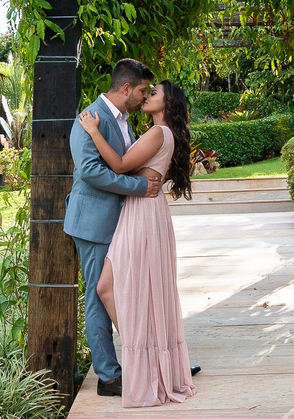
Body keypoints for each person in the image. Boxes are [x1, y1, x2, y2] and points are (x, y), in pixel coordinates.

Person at [77, 78, 197, 408]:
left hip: (142, 212)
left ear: (167, 103)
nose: (147, 96)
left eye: (153, 93)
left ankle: (148, 361)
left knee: (115, 288)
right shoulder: (158, 133)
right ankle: (149, 358)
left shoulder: (159, 133)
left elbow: (117, 165)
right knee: (116, 288)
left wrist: (93, 131)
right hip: (139, 209)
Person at [64, 59, 162, 397]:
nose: (145, 97)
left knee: (129, 291)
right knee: (98, 296)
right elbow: (90, 171)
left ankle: (157, 361)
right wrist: (138, 188)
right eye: (142, 91)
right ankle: (108, 376)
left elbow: (126, 162)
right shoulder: (89, 120)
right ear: (125, 89)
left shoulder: (123, 121)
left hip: (119, 222)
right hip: (93, 223)